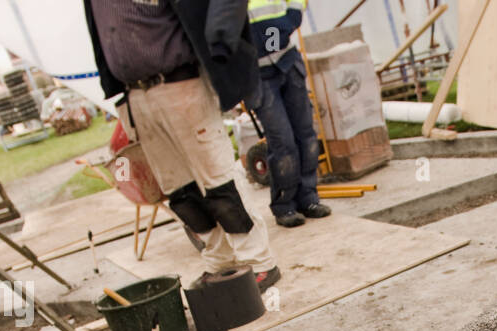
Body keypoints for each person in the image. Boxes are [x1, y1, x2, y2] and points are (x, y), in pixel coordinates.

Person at [84, 0, 281, 290]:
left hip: (181, 83)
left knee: (218, 181)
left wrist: (221, 44)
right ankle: (219, 261)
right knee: (180, 190)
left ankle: (259, 262)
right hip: (135, 94)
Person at [246, 0, 331, 228]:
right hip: (257, 73)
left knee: (306, 136)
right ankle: (285, 205)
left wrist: (283, 26)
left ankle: (308, 199)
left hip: (286, 61)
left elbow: (292, 7)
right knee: (282, 142)